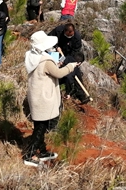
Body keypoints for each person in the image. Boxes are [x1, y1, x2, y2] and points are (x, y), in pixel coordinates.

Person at [23, 31, 79, 167]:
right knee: (40, 127)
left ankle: (41, 151)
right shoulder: (46, 60)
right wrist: (71, 66)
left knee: (39, 125)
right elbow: (59, 74)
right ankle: (29, 155)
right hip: (43, 98)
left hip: (36, 96)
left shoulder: (32, 56)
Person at [47, 22, 88, 103]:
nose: (69, 37)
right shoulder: (58, 31)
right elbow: (48, 40)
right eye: (68, 35)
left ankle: (81, 95)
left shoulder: (77, 37)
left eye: (71, 36)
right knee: (55, 69)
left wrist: (65, 60)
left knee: (74, 71)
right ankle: (54, 90)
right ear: (64, 31)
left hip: (69, 55)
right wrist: (56, 47)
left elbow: (76, 50)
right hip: (55, 53)